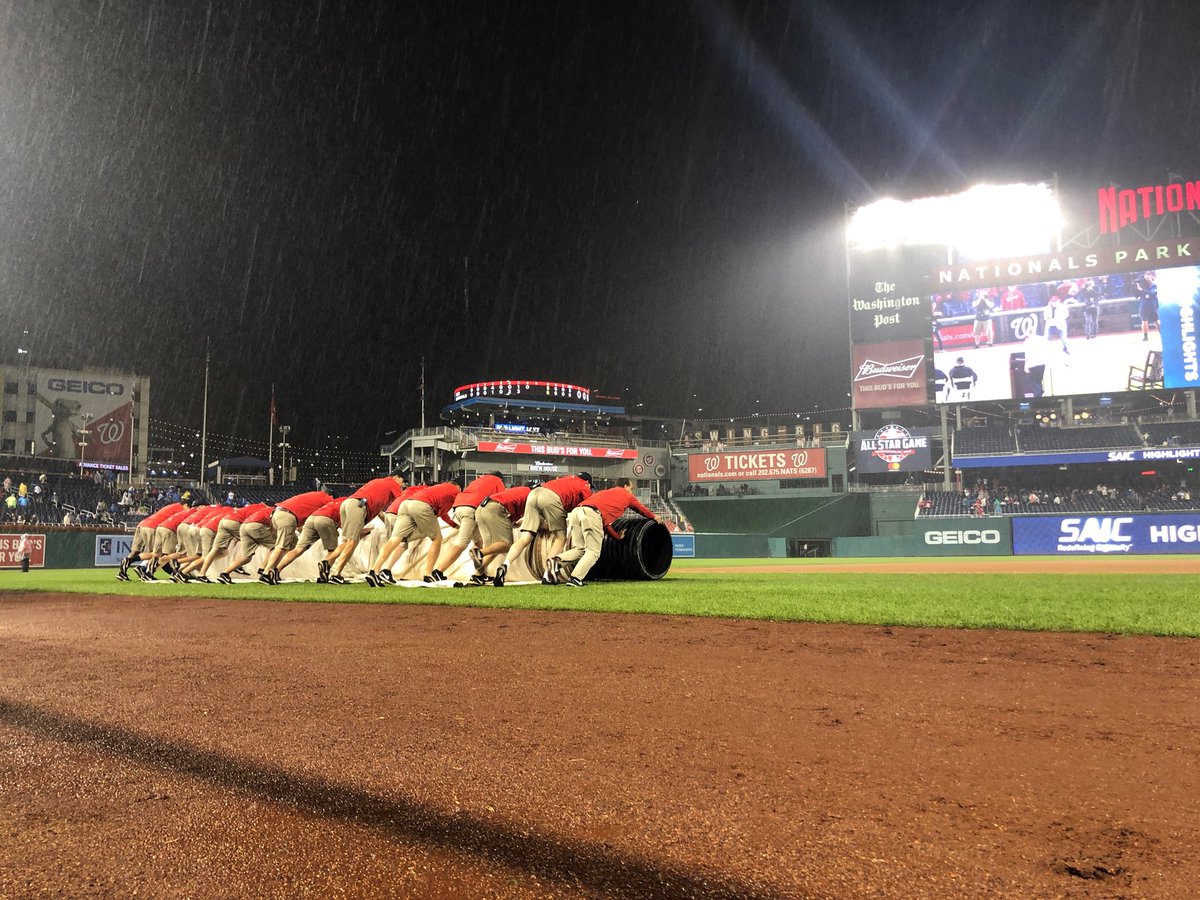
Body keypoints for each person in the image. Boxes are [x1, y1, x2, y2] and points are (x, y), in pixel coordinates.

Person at [544, 479, 659, 587]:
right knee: (593, 552)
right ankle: (575, 578)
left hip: (577, 512)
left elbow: (602, 523)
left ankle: (556, 562)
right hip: (592, 514)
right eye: (631, 488)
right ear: (626, 486)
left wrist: (617, 536)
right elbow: (640, 508)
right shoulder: (626, 494)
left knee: (580, 549)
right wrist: (654, 516)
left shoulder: (605, 493)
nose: (631, 491)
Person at [493, 473, 592, 588]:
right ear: (588, 482)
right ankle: (547, 574)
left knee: (525, 537)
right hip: (551, 498)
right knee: (560, 538)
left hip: (535, 494)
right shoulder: (584, 485)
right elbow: (588, 508)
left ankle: (505, 565)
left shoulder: (564, 480)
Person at [365, 480, 460, 586]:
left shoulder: (432, 489)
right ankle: (428, 575)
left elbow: (443, 513)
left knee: (396, 539)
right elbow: (460, 505)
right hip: (421, 506)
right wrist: (456, 525)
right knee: (437, 538)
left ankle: (374, 570)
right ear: (458, 486)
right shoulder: (454, 490)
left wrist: (452, 524)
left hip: (405, 504)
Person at [327, 470, 406, 583]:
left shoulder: (378, 482)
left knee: (348, 542)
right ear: (396, 477)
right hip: (359, 505)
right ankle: (333, 571)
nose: (401, 485)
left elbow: (378, 510)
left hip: (350, 503)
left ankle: (331, 568)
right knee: (352, 542)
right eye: (402, 481)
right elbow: (402, 501)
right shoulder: (392, 483)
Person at [432, 471, 506, 578]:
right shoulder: (497, 481)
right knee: (462, 543)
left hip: (459, 508)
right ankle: (438, 572)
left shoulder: (479, 480)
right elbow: (501, 501)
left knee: (479, 543)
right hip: (471, 509)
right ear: (501, 479)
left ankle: (480, 573)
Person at [257, 490, 334, 584]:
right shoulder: (326, 498)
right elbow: (329, 512)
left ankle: (275, 571)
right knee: (281, 547)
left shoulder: (313, 497)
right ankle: (266, 574)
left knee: (293, 545)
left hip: (278, 514)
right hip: (287, 516)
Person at [272, 495, 350, 582]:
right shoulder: (349, 504)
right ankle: (325, 570)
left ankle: (276, 570)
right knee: (332, 550)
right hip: (325, 519)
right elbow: (345, 525)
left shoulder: (332, 503)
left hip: (311, 519)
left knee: (298, 549)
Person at [471, 484, 532, 584]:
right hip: (495, 509)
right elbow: (533, 516)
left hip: (481, 509)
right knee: (506, 544)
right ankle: (479, 553)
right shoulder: (532, 496)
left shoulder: (521, 491)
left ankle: (477, 575)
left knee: (496, 547)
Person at [117, 499, 185, 581]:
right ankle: (143, 569)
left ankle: (122, 571)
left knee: (135, 551)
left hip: (142, 524)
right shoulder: (181, 509)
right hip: (153, 526)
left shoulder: (172, 506)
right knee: (156, 554)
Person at [1135, 272, 1158, 342]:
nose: (1147, 277)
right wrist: (1137, 289)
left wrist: (1141, 290)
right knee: (1144, 321)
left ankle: (1162, 334)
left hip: (1152, 305)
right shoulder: (1141, 284)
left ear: (1152, 276)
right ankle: (1145, 337)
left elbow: (1152, 293)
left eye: (1149, 275)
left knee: (1156, 321)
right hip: (1143, 305)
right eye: (1146, 275)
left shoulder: (1154, 284)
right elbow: (1136, 295)